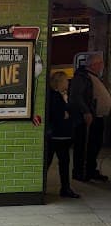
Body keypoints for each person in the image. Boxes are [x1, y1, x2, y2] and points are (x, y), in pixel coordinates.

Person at [69, 52, 111, 182]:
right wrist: (86, 112)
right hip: (87, 117)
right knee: (84, 145)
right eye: (100, 64)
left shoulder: (93, 77)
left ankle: (91, 170)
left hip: (97, 116)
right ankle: (81, 172)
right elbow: (76, 96)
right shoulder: (82, 77)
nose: (102, 66)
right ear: (94, 64)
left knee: (94, 145)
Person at [46, 71, 79, 199]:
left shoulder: (62, 95)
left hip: (61, 134)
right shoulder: (55, 96)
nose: (68, 83)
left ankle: (65, 187)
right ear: (59, 82)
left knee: (61, 162)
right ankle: (65, 188)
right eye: (66, 80)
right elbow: (59, 115)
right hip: (58, 135)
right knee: (62, 162)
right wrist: (66, 114)